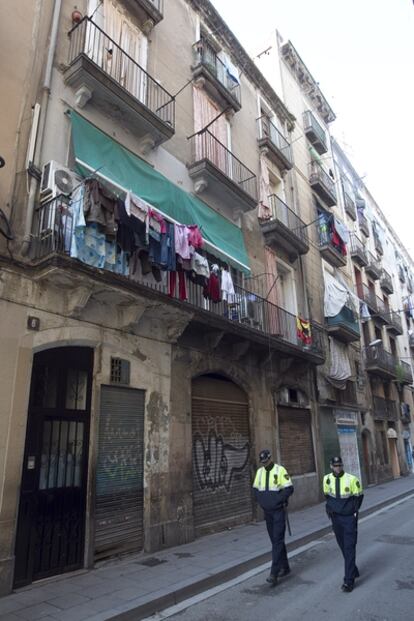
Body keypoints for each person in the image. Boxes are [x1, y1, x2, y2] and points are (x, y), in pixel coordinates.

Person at [252, 449, 294, 586]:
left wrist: (277, 500)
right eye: (262, 462)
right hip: (267, 512)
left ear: (270, 458)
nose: (264, 463)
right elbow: (255, 489)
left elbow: (289, 488)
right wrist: (262, 501)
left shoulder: (280, 470)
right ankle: (285, 567)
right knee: (275, 540)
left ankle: (273, 573)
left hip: (278, 511)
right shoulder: (259, 472)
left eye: (266, 461)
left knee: (277, 540)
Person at [323, 456, 364, 593]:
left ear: (342, 466)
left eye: (339, 465)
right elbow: (327, 495)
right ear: (331, 466)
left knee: (349, 547)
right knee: (342, 545)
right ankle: (353, 570)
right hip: (335, 518)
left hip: (348, 518)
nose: (337, 468)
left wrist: (353, 511)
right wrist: (331, 508)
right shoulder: (326, 479)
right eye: (335, 465)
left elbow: (359, 497)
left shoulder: (352, 479)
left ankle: (349, 581)